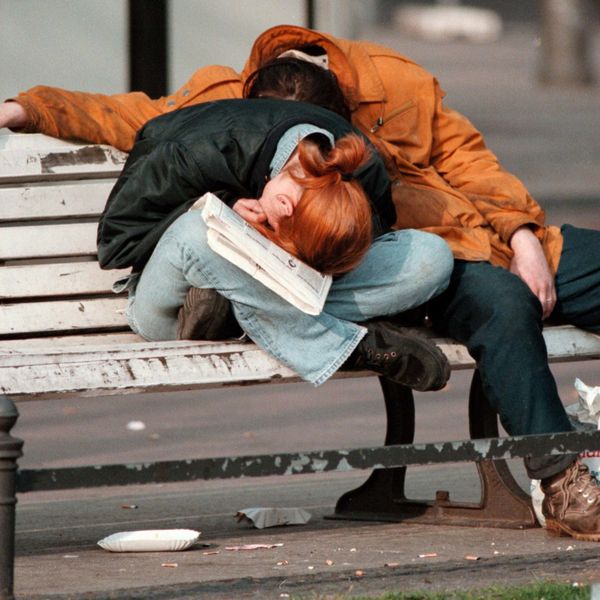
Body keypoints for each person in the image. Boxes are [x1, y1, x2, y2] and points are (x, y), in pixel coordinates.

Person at [2, 24, 599, 541]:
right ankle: (560, 476)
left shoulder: (394, 80)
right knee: (499, 300)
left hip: (440, 246)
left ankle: (257, 307)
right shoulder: (217, 101)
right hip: (350, 271)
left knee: (455, 261)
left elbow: (471, 161)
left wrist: (522, 234)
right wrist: (24, 108)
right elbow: (119, 114)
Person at [97, 97, 453, 391]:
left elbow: (363, 248)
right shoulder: (189, 151)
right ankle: (351, 348)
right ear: (284, 206)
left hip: (226, 309)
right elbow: (117, 244)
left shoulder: (357, 168)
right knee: (199, 232)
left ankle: (246, 320)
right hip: (171, 311)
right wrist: (222, 204)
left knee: (430, 256)